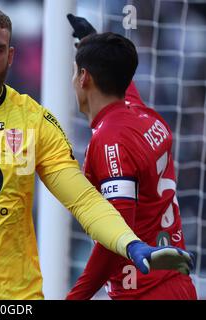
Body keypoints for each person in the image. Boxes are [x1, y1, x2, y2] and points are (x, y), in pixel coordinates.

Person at [0, 5, 193, 300]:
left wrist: (130, 243)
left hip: (16, 300)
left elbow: (82, 199)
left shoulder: (34, 121)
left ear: (10, 56)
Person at [65, 15, 197, 300]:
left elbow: (117, 234)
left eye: (75, 72)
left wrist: (75, 297)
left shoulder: (111, 141)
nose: (73, 80)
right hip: (176, 284)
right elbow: (124, 87)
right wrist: (89, 41)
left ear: (84, 78)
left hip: (146, 291)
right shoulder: (142, 115)